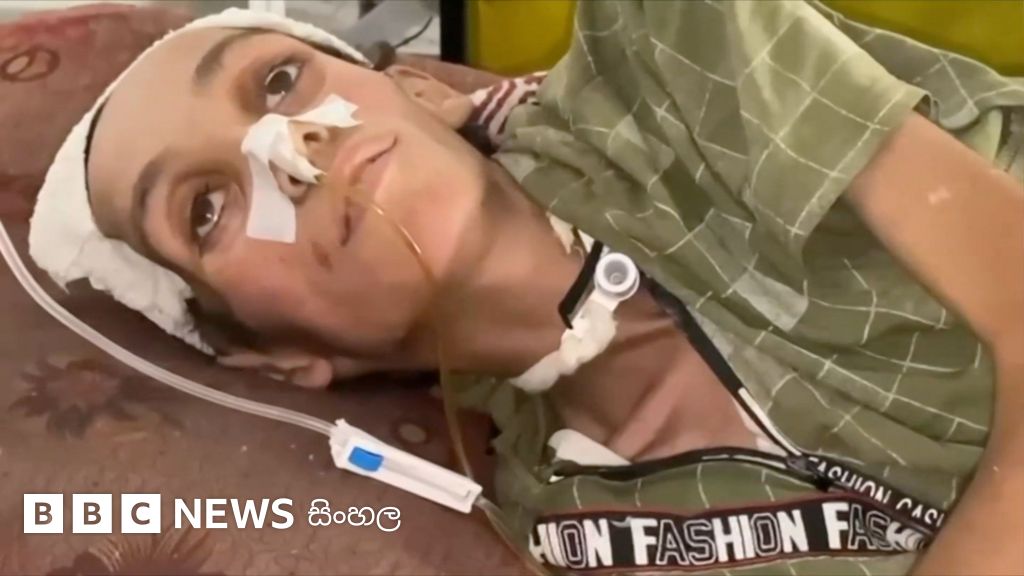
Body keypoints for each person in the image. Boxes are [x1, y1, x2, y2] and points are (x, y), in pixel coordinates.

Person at [28, 1, 1024, 574]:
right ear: (282, 360)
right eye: (206, 207)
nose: (285, 151)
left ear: (418, 91)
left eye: (279, 83)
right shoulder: (577, 535)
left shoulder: (665, 51)